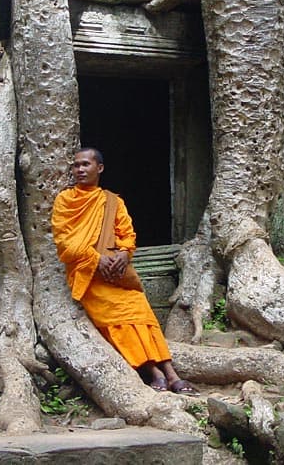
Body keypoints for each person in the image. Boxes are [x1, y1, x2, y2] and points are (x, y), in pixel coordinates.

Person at [51, 147, 196, 394]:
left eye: (85, 164)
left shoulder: (111, 202)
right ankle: (154, 372)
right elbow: (65, 242)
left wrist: (123, 253)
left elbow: (126, 235)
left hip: (116, 275)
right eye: (76, 165)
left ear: (100, 168)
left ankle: (171, 373)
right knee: (118, 320)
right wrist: (95, 258)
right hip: (89, 277)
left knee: (142, 313)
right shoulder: (65, 201)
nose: (80, 170)